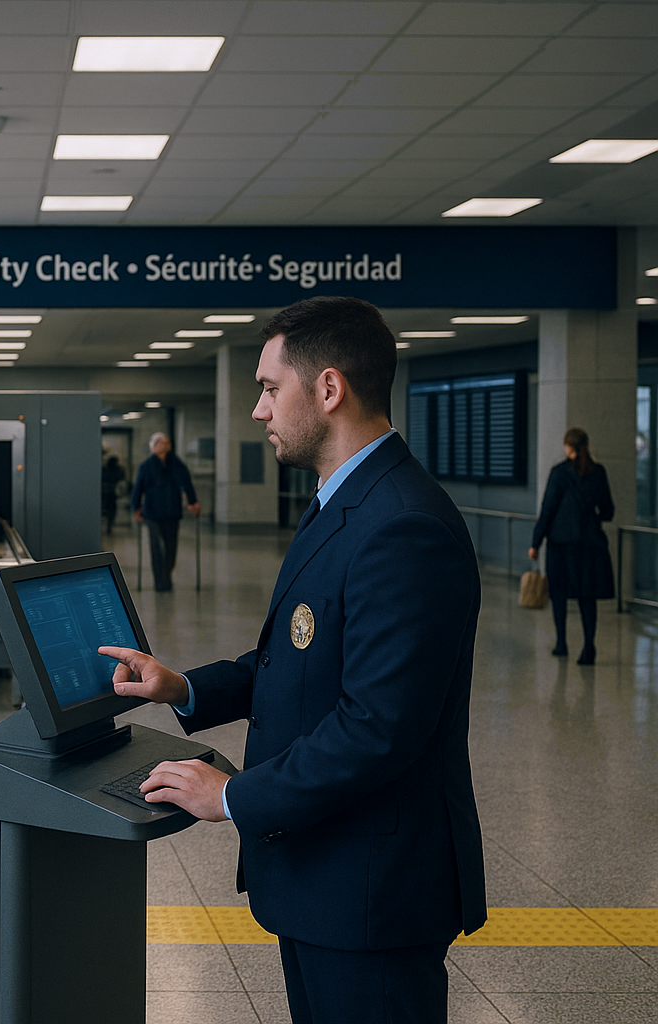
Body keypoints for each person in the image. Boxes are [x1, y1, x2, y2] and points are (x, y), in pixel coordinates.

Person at [99, 297, 486, 1024]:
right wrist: (181, 687)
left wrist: (231, 798)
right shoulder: (344, 502)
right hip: (324, 877)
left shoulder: (402, 524)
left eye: (271, 388)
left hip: (372, 894)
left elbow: (377, 727)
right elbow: (296, 657)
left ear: (329, 389)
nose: (257, 410)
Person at [529, 427, 615, 665]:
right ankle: (589, 648)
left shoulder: (559, 473)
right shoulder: (598, 473)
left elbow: (548, 510)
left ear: (569, 447)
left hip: (560, 543)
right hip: (589, 545)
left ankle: (561, 643)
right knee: (587, 597)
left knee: (559, 594)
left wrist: (535, 542)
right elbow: (608, 510)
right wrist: (592, 517)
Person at [130, 432, 201, 591]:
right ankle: (159, 581)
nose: (166, 446)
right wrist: (136, 507)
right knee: (156, 547)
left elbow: (186, 482)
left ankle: (166, 574)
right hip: (152, 512)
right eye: (162, 443)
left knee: (171, 547)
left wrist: (193, 501)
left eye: (168, 443)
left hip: (172, 511)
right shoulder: (146, 465)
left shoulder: (176, 464)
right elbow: (138, 488)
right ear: (154, 446)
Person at [101, 453, 127, 533]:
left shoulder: (104, 469)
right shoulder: (118, 470)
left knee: (104, 508)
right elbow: (122, 478)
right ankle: (109, 525)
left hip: (104, 492)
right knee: (111, 510)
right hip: (112, 493)